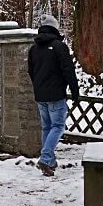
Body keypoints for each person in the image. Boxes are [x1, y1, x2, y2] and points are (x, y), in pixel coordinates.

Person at [27, 15, 80, 176]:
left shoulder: (34, 49)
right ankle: (44, 158)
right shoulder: (59, 46)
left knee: (47, 127)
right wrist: (75, 91)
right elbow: (68, 70)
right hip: (56, 94)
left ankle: (49, 160)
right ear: (55, 28)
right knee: (57, 127)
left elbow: (31, 71)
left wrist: (38, 87)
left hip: (40, 95)